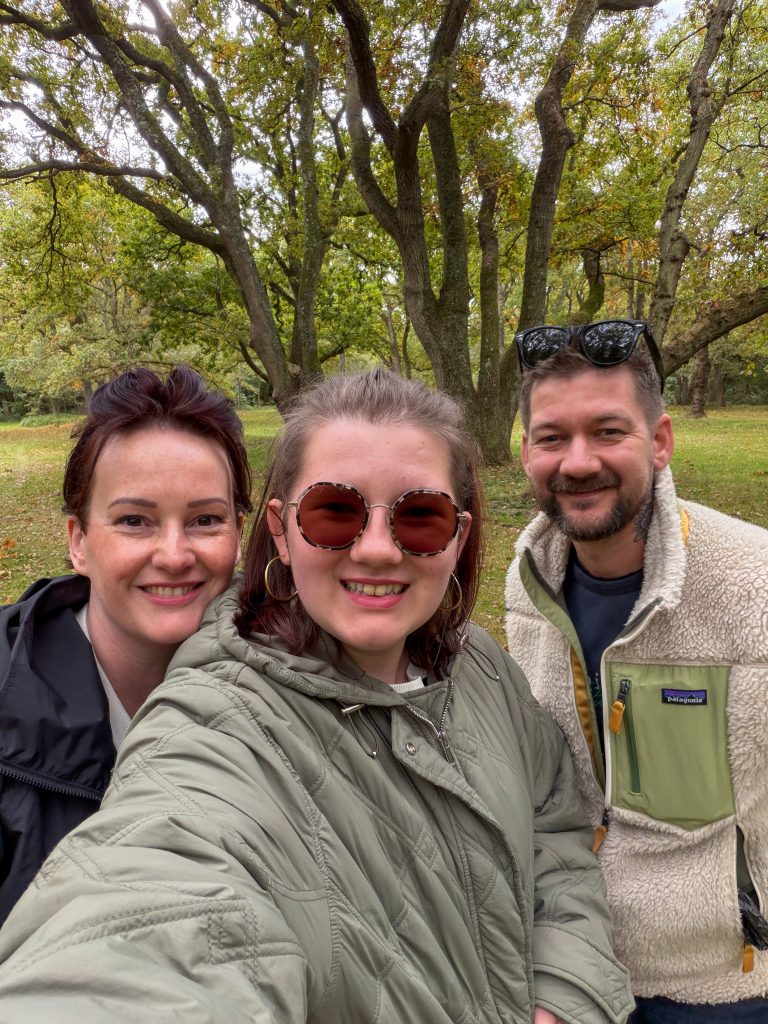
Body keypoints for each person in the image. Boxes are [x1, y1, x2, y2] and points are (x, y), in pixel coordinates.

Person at [0, 369, 632, 1024]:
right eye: (335, 512)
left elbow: (555, 832)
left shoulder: (481, 667)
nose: (379, 550)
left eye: (421, 516)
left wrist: (564, 994)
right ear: (280, 529)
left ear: (459, 536)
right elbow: (160, 909)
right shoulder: (219, 727)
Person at [504, 320, 768, 1023]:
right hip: (572, 970)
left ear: (660, 441)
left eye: (608, 432)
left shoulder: (755, 585)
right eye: (552, 438)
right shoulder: (526, 585)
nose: (577, 462)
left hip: (726, 987)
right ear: (526, 451)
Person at [0, 366, 250, 925]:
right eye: (134, 520)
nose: (174, 555)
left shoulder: (288, 690)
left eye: (205, 520)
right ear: (79, 543)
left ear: (238, 535)